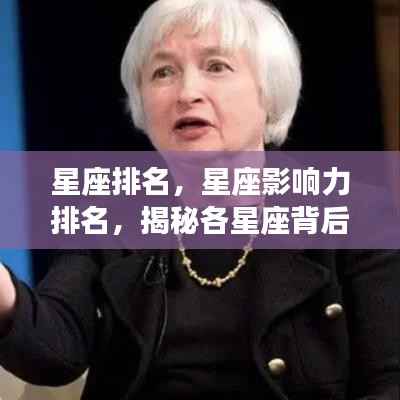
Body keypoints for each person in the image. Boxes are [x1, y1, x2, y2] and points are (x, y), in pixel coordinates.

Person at [0, 0, 399, 399]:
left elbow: (389, 381)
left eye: (216, 67)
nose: (187, 92)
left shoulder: (357, 214)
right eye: (163, 72)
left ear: (269, 91)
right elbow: (53, 351)